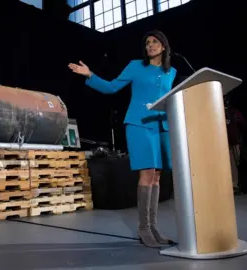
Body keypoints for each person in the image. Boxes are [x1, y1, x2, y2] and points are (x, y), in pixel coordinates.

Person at [68, 30, 176, 248]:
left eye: (155, 42)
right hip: (139, 124)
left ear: (164, 46)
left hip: (161, 126)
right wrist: (90, 75)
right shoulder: (136, 66)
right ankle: (143, 228)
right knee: (146, 173)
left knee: (156, 176)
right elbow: (112, 87)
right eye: (147, 43)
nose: (150, 46)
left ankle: (153, 227)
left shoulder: (171, 72)